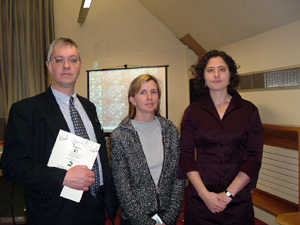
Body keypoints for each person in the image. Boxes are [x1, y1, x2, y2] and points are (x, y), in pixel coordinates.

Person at [1, 37, 118, 225]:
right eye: (59, 60)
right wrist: (62, 177)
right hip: (54, 212)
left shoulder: (89, 108)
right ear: (48, 66)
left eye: (73, 60)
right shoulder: (26, 110)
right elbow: (12, 166)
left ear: (80, 66)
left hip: (95, 207)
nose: (66, 65)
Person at [178, 50, 264, 225]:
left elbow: (254, 158)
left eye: (222, 69)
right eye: (210, 70)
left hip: (237, 200)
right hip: (201, 200)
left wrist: (228, 195)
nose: (216, 75)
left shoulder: (249, 111)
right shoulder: (192, 112)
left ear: (230, 74)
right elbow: (186, 156)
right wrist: (206, 195)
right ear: (203, 76)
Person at [110, 74, 186, 225]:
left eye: (154, 92)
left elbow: (179, 177)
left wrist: (170, 217)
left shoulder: (170, 130)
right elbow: (122, 186)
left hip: (167, 216)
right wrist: (146, 223)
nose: (149, 97)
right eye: (142, 92)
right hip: (135, 219)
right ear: (132, 99)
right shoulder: (120, 135)